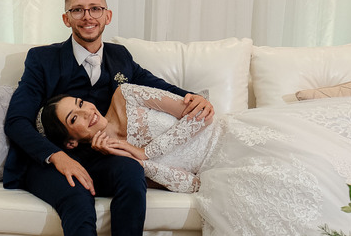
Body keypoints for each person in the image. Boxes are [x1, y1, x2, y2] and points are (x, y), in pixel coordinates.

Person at [3, 0, 214, 236]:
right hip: (49, 158)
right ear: (66, 18)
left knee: (131, 174)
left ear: (107, 15)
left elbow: (153, 85)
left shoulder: (120, 57)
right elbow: (16, 120)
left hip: (102, 153)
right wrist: (57, 157)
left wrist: (192, 97)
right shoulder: (42, 59)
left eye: (95, 9)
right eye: (78, 10)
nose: (88, 17)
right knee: (76, 200)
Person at [37, 83, 223, 194]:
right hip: (217, 173)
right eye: (74, 118)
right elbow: (193, 185)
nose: (87, 112)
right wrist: (140, 163)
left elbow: (203, 116)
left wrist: (145, 152)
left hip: (225, 137)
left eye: (81, 103)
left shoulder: (125, 95)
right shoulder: (117, 164)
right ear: (71, 143)